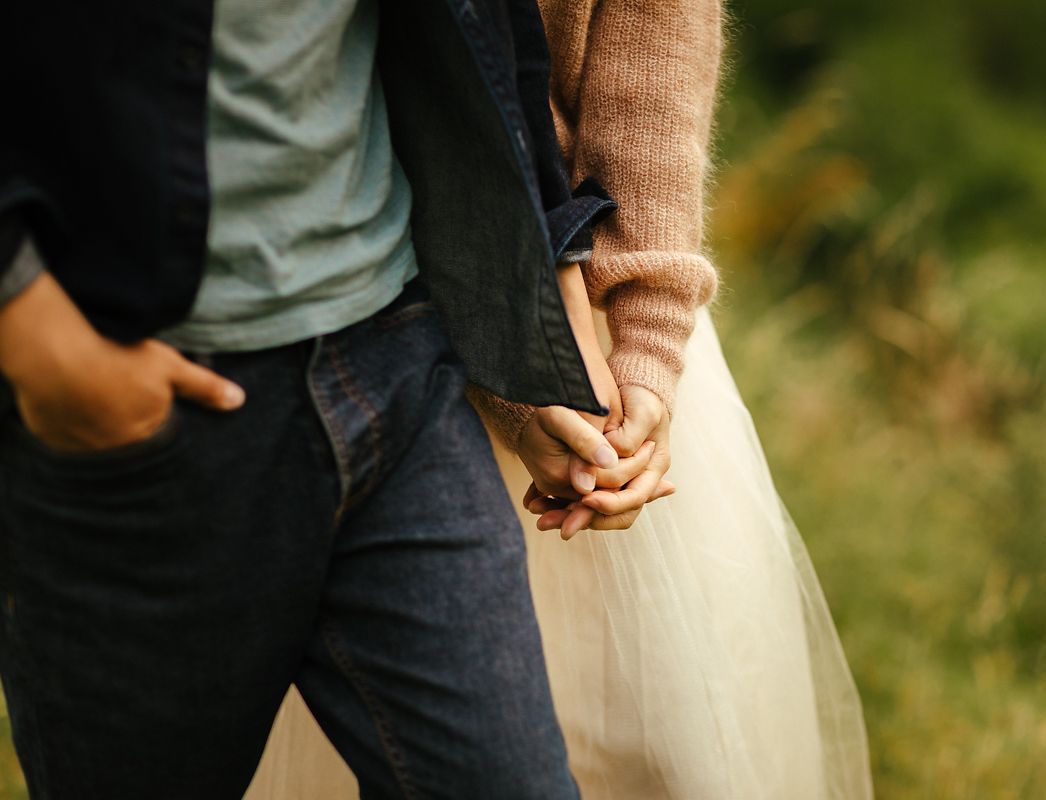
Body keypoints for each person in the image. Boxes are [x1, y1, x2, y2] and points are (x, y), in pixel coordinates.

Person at [0, 1, 663, 797]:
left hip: (398, 362)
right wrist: (31, 327)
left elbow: (489, 37)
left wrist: (549, 353)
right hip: (148, 418)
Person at [249, 1, 875, 798]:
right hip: (373, 325)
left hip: (598, 338)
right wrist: (519, 363)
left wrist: (646, 343)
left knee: (653, 739)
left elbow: (654, 69)